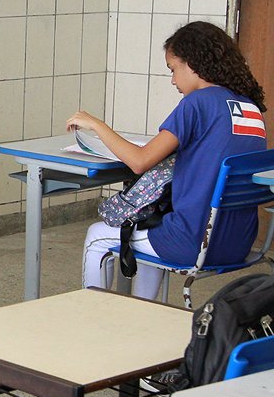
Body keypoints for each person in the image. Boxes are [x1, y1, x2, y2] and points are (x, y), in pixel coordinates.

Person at [69, 21, 267, 300]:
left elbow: (139, 161)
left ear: (193, 64)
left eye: (173, 70)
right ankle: (144, 314)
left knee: (96, 236)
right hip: (237, 243)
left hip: (191, 241)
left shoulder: (197, 103)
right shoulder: (251, 109)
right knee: (155, 226)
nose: (173, 80)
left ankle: (92, 319)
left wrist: (96, 124)